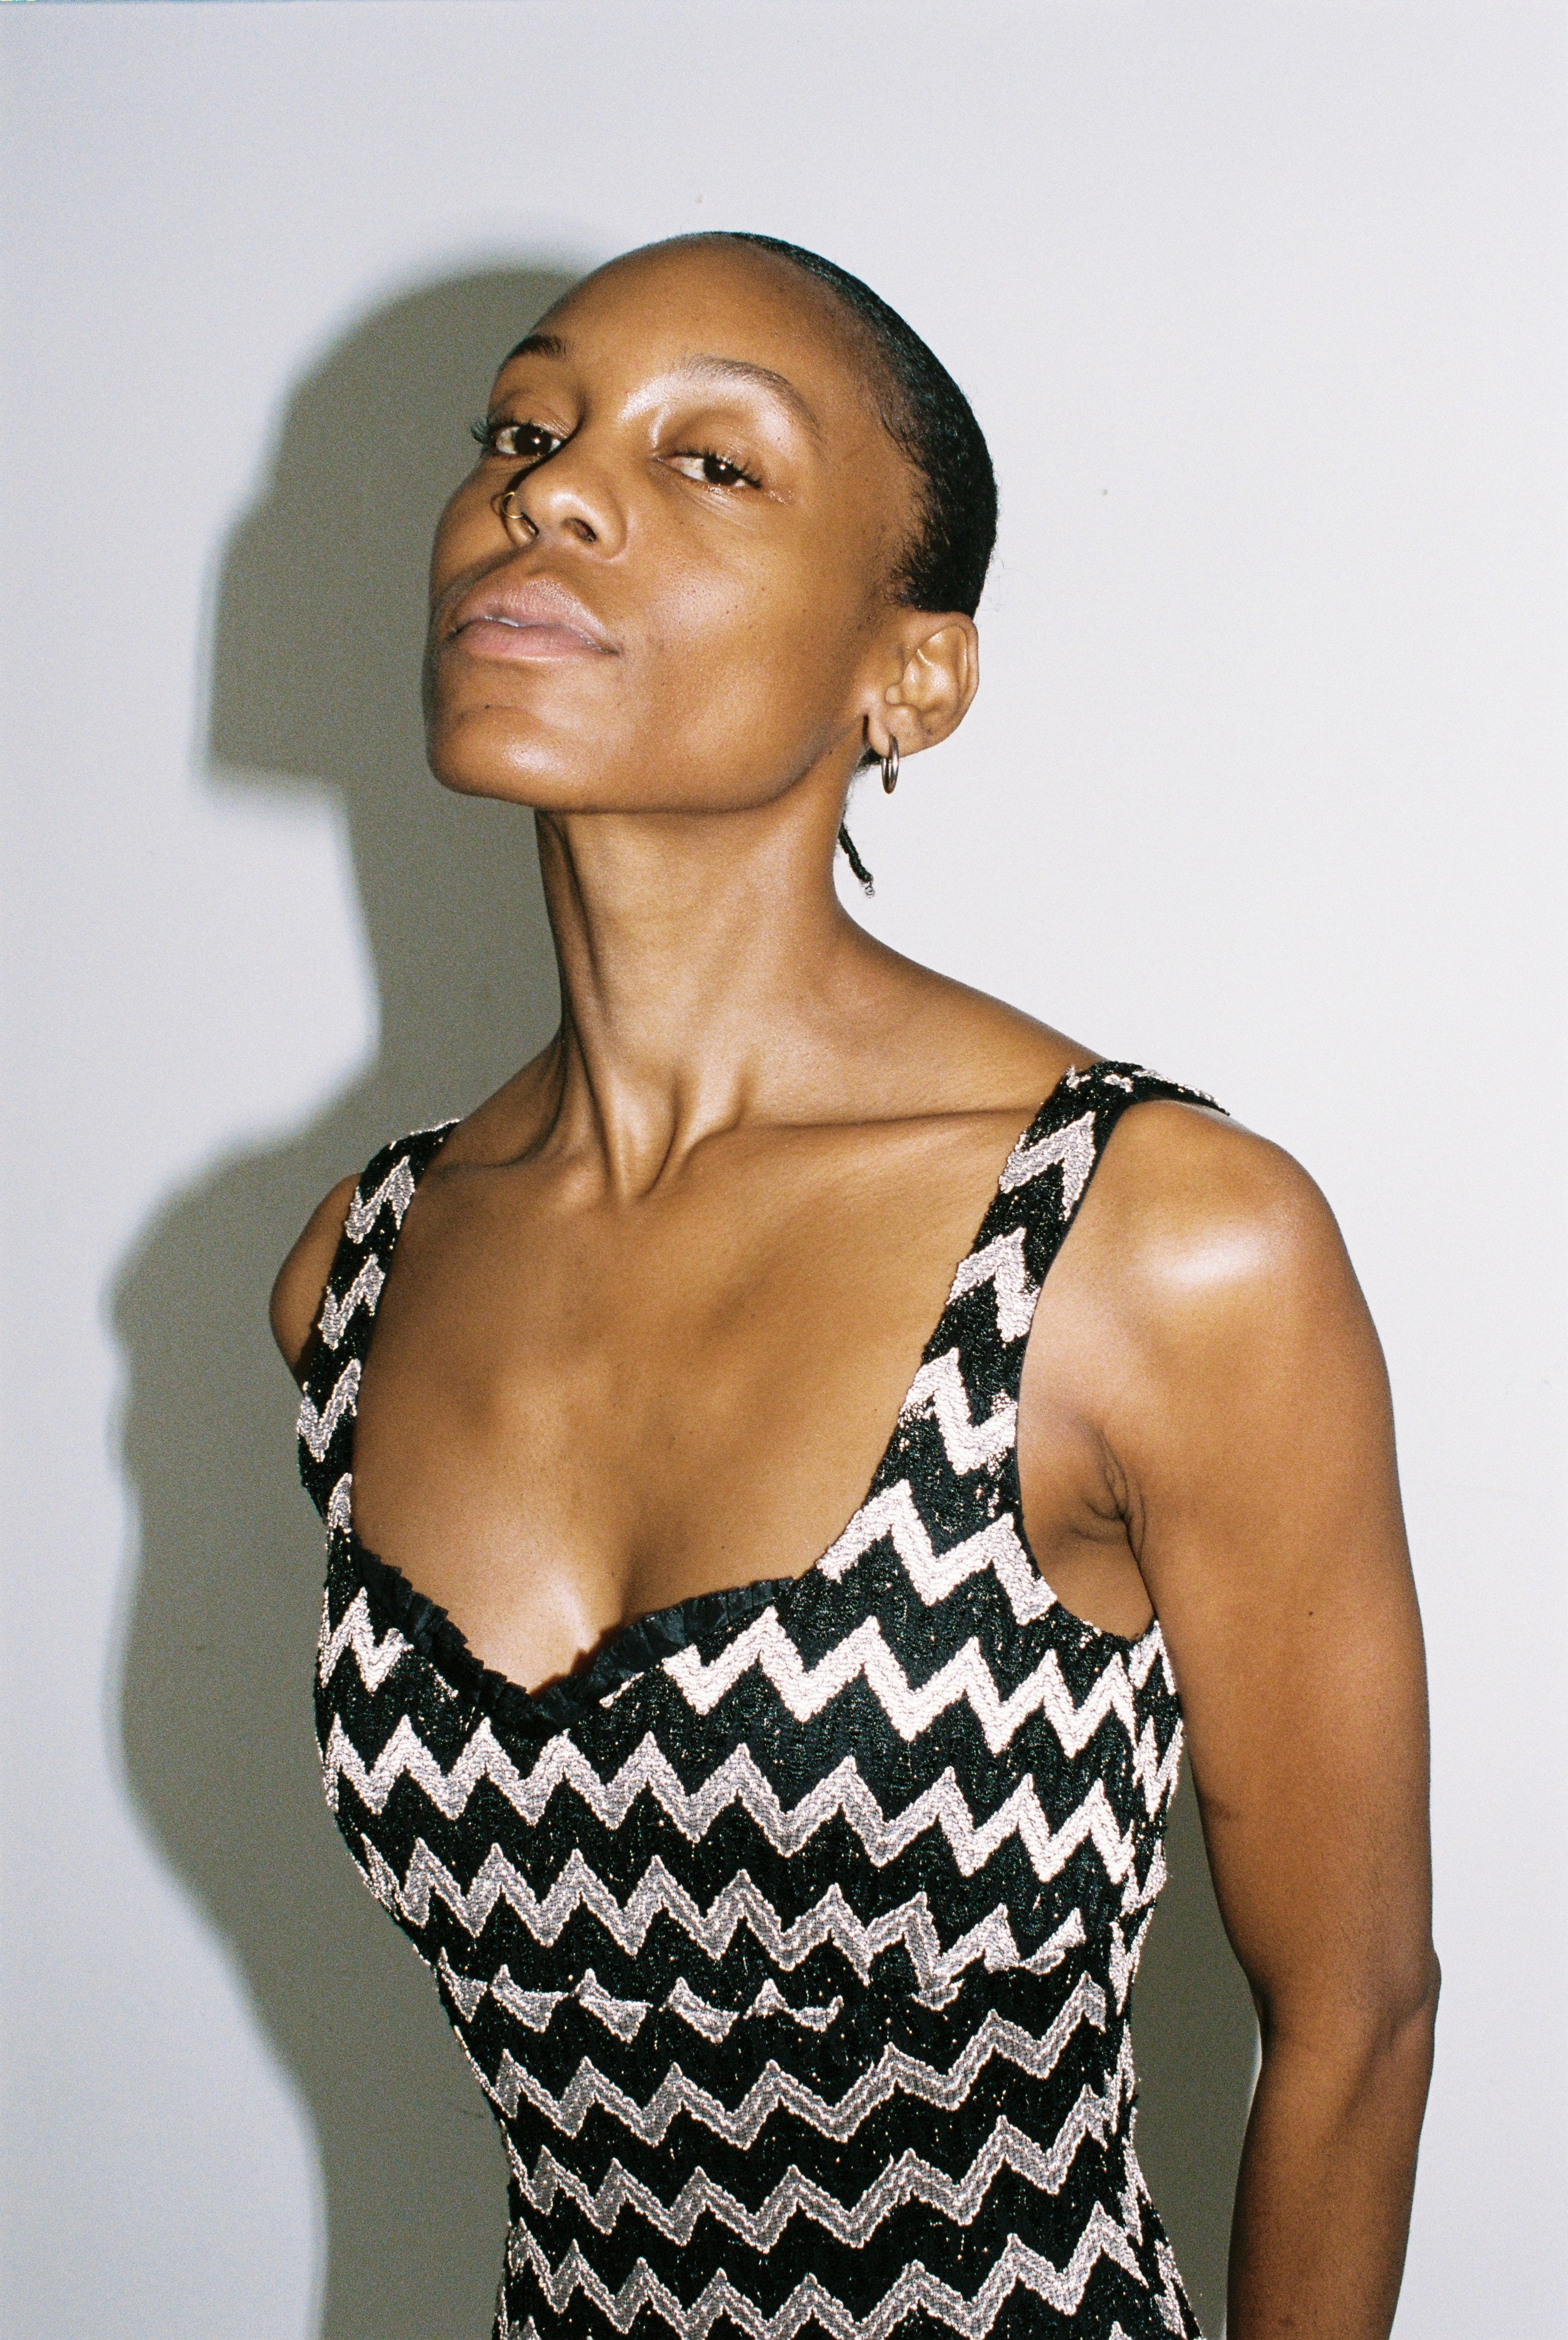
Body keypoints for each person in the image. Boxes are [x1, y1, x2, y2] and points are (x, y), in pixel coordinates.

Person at [272, 233, 1437, 2340]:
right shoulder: (357, 1273)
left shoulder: (1152, 1244)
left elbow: (1355, 2016)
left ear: (908, 677)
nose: (550, 490)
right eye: (521, 433)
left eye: (711, 462)